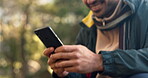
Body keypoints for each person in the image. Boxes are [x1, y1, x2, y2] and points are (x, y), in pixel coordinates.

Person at [43, 0, 148, 78]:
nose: (90, 1)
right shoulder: (88, 27)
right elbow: (83, 75)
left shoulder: (145, 10)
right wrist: (65, 73)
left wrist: (100, 61)